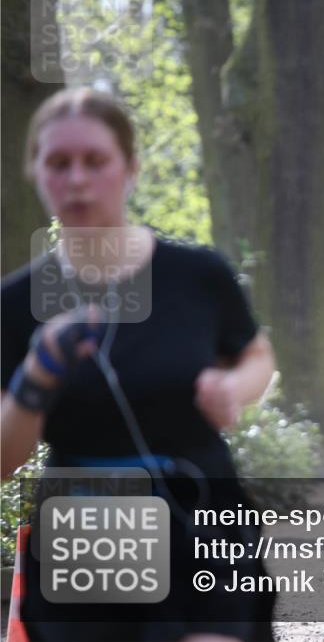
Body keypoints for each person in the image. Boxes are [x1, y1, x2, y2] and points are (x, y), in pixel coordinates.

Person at [0, 88, 276, 642]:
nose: (77, 179)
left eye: (95, 161)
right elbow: (6, 458)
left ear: (130, 168)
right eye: (58, 163)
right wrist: (36, 377)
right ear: (36, 172)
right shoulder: (14, 302)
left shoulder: (196, 274)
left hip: (200, 508)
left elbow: (256, 355)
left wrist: (234, 387)